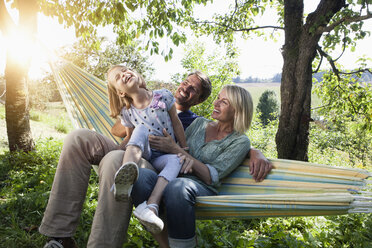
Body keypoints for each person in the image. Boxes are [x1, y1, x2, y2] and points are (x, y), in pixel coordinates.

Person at [39, 68, 271, 248]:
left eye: (194, 90)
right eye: (186, 83)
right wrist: (141, 107)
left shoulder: (193, 121)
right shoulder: (154, 97)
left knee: (113, 162)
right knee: (77, 138)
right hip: (128, 145)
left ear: (199, 100)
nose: (186, 89)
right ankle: (60, 236)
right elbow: (116, 128)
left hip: (149, 160)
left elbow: (204, 147)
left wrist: (254, 151)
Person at [131, 84, 257, 247]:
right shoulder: (199, 124)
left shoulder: (240, 141)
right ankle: (164, 240)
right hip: (173, 174)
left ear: (238, 110)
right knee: (139, 177)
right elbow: (180, 149)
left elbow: (211, 176)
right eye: (218, 98)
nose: (216, 103)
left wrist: (179, 152)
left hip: (202, 186)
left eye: (224, 102)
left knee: (178, 186)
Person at [107, 65, 187, 233]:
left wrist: (184, 149)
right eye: (118, 77)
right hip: (145, 155)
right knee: (140, 129)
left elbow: (177, 123)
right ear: (121, 93)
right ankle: (125, 175)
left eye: (125, 71)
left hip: (163, 157)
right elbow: (129, 137)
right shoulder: (127, 112)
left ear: (134, 73)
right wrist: (115, 150)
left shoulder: (164, 95)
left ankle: (151, 206)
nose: (124, 75)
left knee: (177, 159)